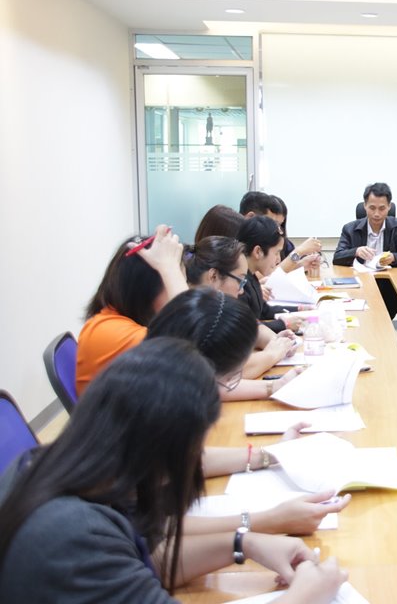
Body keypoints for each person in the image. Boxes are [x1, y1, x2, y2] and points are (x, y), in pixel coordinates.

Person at [0, 338, 347, 603]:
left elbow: (145, 558)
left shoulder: (61, 467)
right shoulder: (73, 536)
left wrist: (243, 543)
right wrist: (305, 597)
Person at [146, 290, 352, 537]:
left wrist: (273, 455)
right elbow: (148, 536)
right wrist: (267, 521)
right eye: (233, 378)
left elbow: (185, 461)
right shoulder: (152, 417)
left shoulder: (150, 387)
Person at [76, 225, 188, 395]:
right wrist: (170, 268)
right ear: (146, 289)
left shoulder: (122, 322)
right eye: (176, 281)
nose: (181, 288)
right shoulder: (110, 331)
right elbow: (195, 345)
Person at [181, 244, 300, 394]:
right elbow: (220, 375)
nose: (242, 290)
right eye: (241, 281)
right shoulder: (193, 315)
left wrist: (275, 341)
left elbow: (252, 326)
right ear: (213, 276)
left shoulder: (214, 307)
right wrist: (272, 354)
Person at [236, 215, 303, 334]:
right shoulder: (239, 284)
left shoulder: (251, 276)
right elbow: (246, 328)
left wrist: (300, 309)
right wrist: (284, 324)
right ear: (258, 252)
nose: (278, 259)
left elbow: (264, 310)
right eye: (276, 253)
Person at [333, 182, 397, 267]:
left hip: (388, 274)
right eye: (372, 208)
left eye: (382, 208)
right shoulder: (349, 229)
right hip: (360, 274)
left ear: (389, 206)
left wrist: (393, 257)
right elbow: (337, 257)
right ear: (365, 206)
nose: (376, 214)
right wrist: (356, 251)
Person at [273, 194, 324, 274]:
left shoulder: (286, 244)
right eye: (274, 223)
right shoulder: (258, 245)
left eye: (280, 225)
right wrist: (299, 251)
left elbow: (283, 270)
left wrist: (303, 264)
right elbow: (268, 276)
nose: (279, 231)